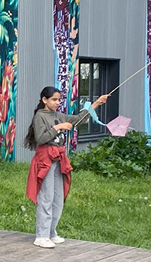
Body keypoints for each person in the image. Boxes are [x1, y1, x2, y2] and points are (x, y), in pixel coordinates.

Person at [24, 86, 109, 248]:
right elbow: (41, 138)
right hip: (45, 159)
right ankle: (41, 236)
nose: (57, 103)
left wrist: (97, 103)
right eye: (54, 100)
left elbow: (78, 119)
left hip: (58, 159)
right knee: (46, 197)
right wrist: (58, 127)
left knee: (58, 197)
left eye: (59, 100)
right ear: (44, 100)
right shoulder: (40, 116)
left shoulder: (59, 115)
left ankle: (51, 232)